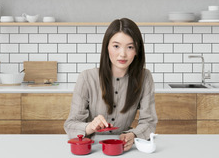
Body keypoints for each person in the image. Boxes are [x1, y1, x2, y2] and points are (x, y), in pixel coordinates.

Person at [64, 18, 158, 151]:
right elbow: (70, 124)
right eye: (116, 46)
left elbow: (149, 122)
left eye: (130, 47)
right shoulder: (86, 77)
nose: (123, 54)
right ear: (107, 47)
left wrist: (133, 135)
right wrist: (90, 127)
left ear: (137, 50)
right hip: (93, 147)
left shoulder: (145, 77)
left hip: (124, 147)